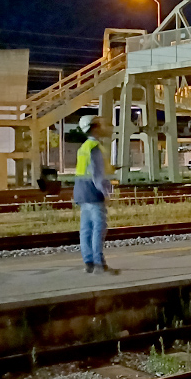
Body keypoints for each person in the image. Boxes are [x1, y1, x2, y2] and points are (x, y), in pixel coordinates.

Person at [73, 115, 118, 275]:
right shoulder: (95, 148)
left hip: (81, 192)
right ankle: (99, 264)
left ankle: (89, 263)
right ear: (95, 127)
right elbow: (97, 175)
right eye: (100, 124)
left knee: (85, 229)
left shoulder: (84, 147)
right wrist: (107, 193)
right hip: (93, 192)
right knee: (98, 228)